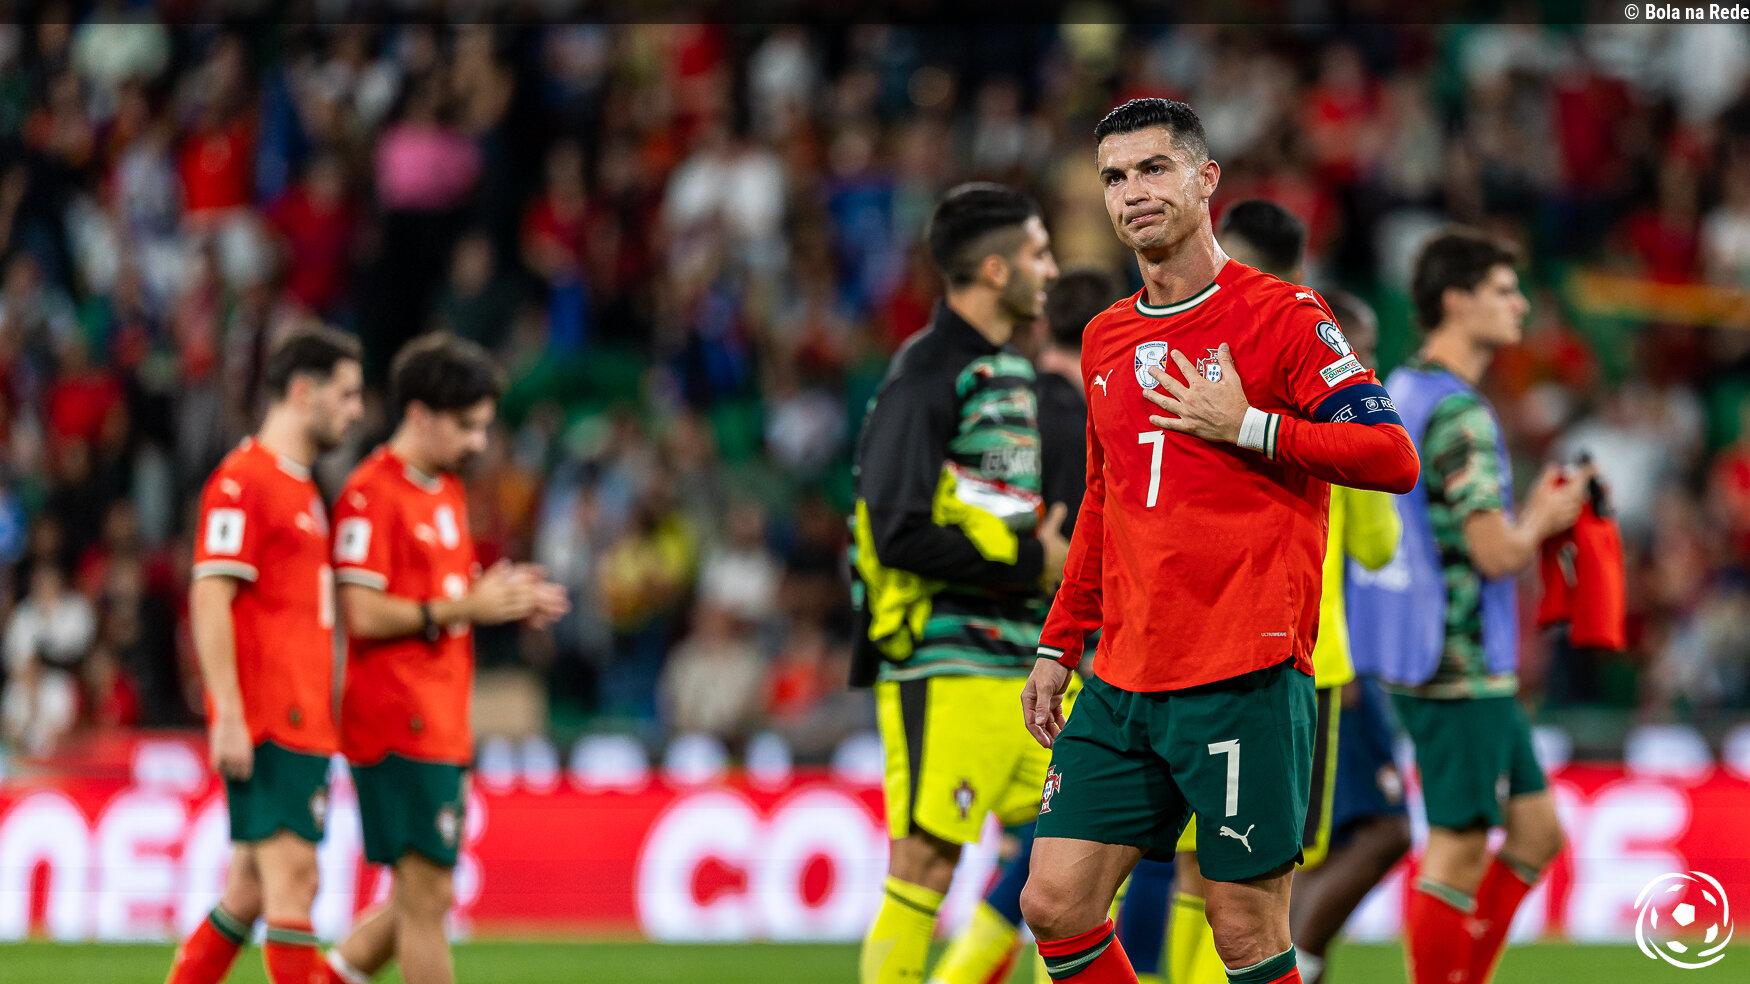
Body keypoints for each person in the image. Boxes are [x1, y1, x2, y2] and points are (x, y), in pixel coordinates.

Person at [1016, 98, 1419, 984]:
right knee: (1055, 903)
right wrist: (1058, 641)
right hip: (1123, 675)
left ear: (1206, 179)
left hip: (1242, 673)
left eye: (1154, 168)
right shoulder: (1104, 337)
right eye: (1115, 177)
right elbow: (1103, 501)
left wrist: (1251, 426)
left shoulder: (1285, 316)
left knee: (1243, 930)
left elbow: (1392, 456)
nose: (1133, 192)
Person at [1169, 202, 1403, 984]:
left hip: (1190, 649)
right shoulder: (1314, 381)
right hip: (1303, 659)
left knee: (1196, 863)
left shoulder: (1184, 363)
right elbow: (1377, 543)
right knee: (1264, 874)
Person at [1347, 229, 1585, 984]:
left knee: (1537, 833)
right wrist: (1546, 515)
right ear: (1456, 301)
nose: (1521, 306)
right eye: (1504, 291)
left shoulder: (1397, 391)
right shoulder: (1462, 414)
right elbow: (1495, 553)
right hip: (1458, 657)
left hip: (1412, 643)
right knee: (1457, 844)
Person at [850, 183, 1071, 984]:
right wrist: (1030, 564)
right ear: (994, 269)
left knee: (1077, 863)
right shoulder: (926, 374)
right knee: (924, 864)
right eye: (1038, 254)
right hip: (944, 666)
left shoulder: (1007, 370)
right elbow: (896, 530)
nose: (1051, 270)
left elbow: (988, 508)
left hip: (1026, 665)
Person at [320, 334, 568, 984]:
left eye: (484, 427)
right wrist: (464, 608)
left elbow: (448, 595)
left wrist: (500, 600)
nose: (479, 442)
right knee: (427, 900)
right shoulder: (371, 493)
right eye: (466, 426)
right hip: (397, 718)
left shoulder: (446, 490)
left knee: (420, 896)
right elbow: (361, 612)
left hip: (440, 716)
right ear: (420, 414)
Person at [928, 266, 1129, 984]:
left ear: (1044, 326)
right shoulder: (1100, 417)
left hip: (984, 649)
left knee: (1032, 855)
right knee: (1081, 863)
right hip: (1071, 655)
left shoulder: (1001, 408)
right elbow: (1095, 545)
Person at [164, 326, 365, 984]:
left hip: (303, 715)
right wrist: (227, 712)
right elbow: (209, 595)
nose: (357, 410)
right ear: (303, 392)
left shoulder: (302, 487)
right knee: (295, 883)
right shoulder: (243, 480)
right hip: (274, 718)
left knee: (248, 892)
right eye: (346, 394)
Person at [1285, 288, 1415, 984]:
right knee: (1360, 837)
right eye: (1358, 355)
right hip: (1326, 664)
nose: (1365, 374)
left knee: (1235, 861)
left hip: (1252, 657)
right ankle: (1294, 966)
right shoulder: (1347, 426)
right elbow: (1376, 545)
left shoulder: (1262, 415)